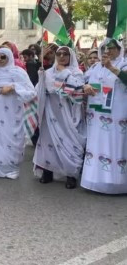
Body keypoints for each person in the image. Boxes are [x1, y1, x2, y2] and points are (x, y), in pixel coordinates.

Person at [0, 48, 36, 179]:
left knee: (10, 138)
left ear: (9, 57)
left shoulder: (18, 72)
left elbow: (31, 92)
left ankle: (10, 168)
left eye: (3, 57)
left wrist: (13, 87)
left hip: (11, 114)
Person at [33, 46, 86, 189]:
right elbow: (38, 90)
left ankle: (71, 175)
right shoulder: (48, 72)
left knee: (70, 142)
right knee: (48, 141)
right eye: (59, 54)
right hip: (50, 111)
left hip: (68, 113)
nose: (62, 57)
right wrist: (41, 77)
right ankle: (48, 171)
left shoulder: (77, 72)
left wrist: (65, 74)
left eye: (65, 54)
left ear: (71, 56)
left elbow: (78, 89)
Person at [81, 39, 127, 194]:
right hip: (96, 113)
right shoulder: (95, 67)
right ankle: (95, 180)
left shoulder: (123, 64)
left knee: (114, 146)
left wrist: (111, 68)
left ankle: (117, 183)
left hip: (117, 116)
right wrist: (85, 86)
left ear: (119, 49)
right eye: (105, 48)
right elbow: (82, 80)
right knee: (97, 145)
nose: (108, 51)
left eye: (112, 48)